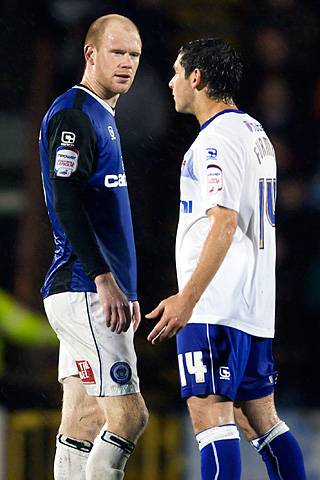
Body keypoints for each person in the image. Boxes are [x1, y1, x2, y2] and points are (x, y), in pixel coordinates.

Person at [146, 38, 306, 480]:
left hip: (215, 305)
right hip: (253, 306)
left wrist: (187, 299)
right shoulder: (256, 133)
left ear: (196, 78)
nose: (171, 81)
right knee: (263, 421)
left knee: (210, 417)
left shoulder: (214, 141)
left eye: (177, 72)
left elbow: (223, 222)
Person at [39, 14, 148, 480]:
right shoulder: (75, 114)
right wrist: (105, 278)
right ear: (91, 54)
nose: (127, 63)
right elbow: (65, 200)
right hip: (85, 289)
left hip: (91, 291)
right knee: (129, 416)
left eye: (135, 55)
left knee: (83, 421)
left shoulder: (103, 116)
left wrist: (124, 285)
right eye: (117, 52)